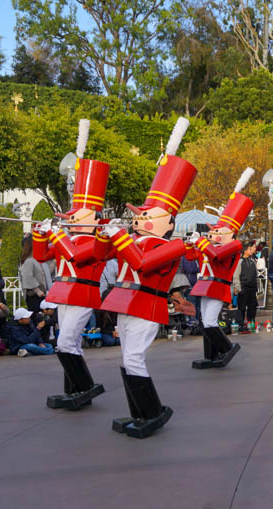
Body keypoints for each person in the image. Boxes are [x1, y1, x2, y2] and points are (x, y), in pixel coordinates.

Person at [100, 122, 194, 439]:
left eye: (146, 216)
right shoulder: (134, 241)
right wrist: (103, 234)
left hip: (147, 305)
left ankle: (151, 411)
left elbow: (141, 265)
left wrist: (119, 237)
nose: (139, 220)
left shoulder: (171, 245)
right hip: (125, 303)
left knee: (133, 359)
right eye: (138, 215)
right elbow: (100, 257)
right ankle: (138, 412)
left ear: (168, 222)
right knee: (126, 362)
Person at [33, 122, 108, 412]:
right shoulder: (70, 237)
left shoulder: (98, 241)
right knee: (69, 344)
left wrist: (58, 233)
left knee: (65, 343)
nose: (72, 219)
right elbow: (42, 256)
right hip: (64, 292)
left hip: (83, 294)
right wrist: (41, 233)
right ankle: (75, 388)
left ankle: (85, 385)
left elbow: (76, 256)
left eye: (78, 215)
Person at [185, 167, 254, 369]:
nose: (214, 234)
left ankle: (227, 348)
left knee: (210, 321)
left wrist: (202, 243)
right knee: (204, 321)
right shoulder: (210, 246)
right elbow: (192, 258)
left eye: (218, 231)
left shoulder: (234, 245)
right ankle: (211, 355)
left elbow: (216, 255)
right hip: (204, 284)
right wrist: (190, 244)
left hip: (219, 285)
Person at [20, 236, 48, 312]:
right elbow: (27, 277)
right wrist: (37, 290)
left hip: (41, 294)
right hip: (35, 296)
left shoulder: (36, 259)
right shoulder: (29, 260)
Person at [238, 242, 259, 333]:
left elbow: (256, 275)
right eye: (250, 249)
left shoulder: (252, 261)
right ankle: (241, 325)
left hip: (252, 287)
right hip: (243, 287)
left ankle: (251, 323)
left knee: (252, 306)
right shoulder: (240, 261)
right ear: (245, 250)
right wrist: (237, 287)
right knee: (242, 307)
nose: (252, 250)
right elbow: (236, 275)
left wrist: (256, 285)